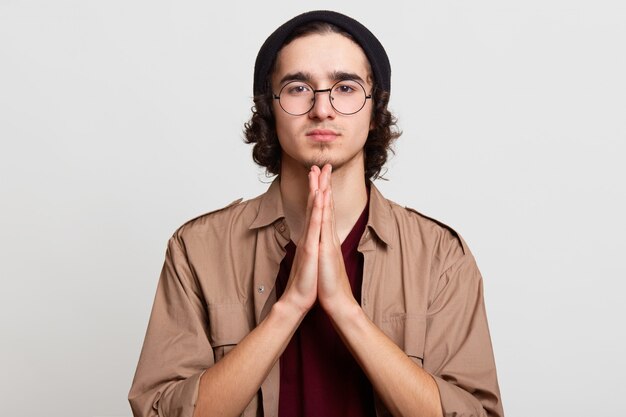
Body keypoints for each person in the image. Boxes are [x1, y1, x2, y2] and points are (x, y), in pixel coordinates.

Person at [129, 10, 504, 417]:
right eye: (297, 88)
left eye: (345, 87)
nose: (322, 109)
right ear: (269, 110)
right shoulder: (197, 249)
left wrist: (344, 308)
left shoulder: (440, 257)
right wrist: (289, 307)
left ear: (374, 109)